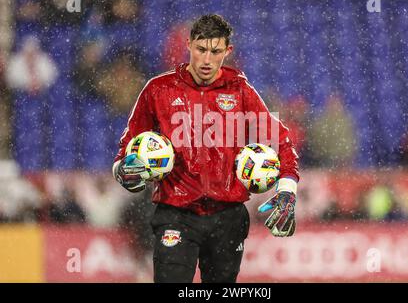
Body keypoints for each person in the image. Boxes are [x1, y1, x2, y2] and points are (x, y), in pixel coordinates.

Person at [112, 14, 300, 283]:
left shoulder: (240, 92)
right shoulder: (158, 90)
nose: (207, 60)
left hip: (228, 217)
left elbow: (281, 143)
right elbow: (125, 153)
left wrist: (287, 192)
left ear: (228, 51)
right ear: (188, 45)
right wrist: (125, 172)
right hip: (175, 215)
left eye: (216, 51)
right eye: (201, 50)